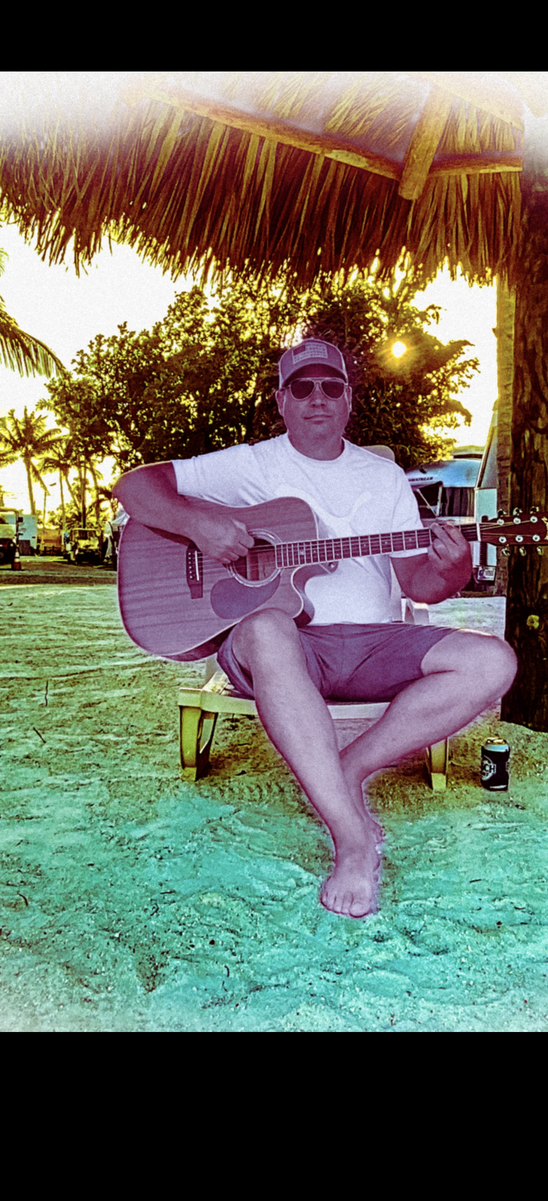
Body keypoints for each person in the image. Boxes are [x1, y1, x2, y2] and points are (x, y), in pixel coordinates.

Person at [113, 334, 517, 919]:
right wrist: (201, 526)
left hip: (376, 644)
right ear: (282, 400)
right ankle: (352, 841)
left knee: (494, 660)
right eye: (302, 387)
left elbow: (417, 585)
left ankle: (346, 769)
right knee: (267, 626)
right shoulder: (251, 464)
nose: (317, 397)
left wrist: (453, 569)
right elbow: (134, 486)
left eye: (332, 386)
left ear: (348, 398)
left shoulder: (384, 477)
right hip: (287, 648)